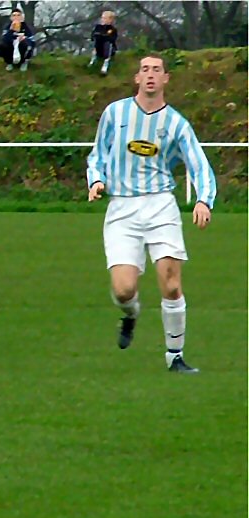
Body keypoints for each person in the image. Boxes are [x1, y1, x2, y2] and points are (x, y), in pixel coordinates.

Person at [87, 55, 217, 374]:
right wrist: (97, 180)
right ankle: (130, 315)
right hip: (122, 208)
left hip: (160, 204)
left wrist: (204, 200)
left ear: (165, 79)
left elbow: (198, 163)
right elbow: (97, 154)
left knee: (171, 284)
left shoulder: (175, 123)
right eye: (145, 70)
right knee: (123, 290)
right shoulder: (115, 113)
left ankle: (175, 356)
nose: (150, 75)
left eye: (156, 70)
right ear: (136, 78)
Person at [0, 8, 35, 72]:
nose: (16, 17)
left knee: (25, 44)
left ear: (21, 17)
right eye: (14, 15)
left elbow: (33, 42)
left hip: (22, 48)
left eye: (18, 15)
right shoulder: (7, 27)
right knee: (2, 46)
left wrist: (25, 39)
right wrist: (11, 30)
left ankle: (24, 62)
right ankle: (9, 62)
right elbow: (4, 39)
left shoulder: (27, 28)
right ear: (11, 18)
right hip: (12, 48)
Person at [88, 10, 118, 75]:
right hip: (98, 47)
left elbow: (112, 39)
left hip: (108, 49)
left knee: (107, 43)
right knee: (97, 40)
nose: (102, 20)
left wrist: (104, 36)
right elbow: (93, 35)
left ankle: (105, 63)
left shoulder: (112, 29)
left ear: (110, 20)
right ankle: (93, 60)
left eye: (104, 18)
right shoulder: (98, 27)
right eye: (102, 18)